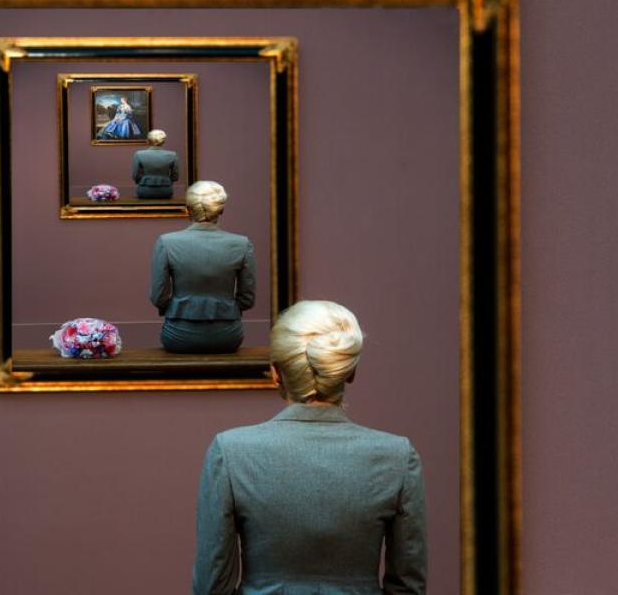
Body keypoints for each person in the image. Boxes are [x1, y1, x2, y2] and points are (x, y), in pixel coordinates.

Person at [192, 301, 428, 594]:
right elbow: (408, 587)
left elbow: (211, 585)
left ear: (276, 372)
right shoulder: (398, 456)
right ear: (349, 371)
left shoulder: (230, 452)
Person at [149, 180, 255, 353]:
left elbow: (158, 297)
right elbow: (247, 298)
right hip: (227, 336)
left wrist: (177, 308)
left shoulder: (166, 242)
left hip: (178, 334)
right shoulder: (242, 244)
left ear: (188, 210)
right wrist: (227, 309)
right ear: (221, 210)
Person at [131, 128, 179, 199]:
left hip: (144, 190)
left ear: (149, 140)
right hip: (166, 190)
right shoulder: (172, 155)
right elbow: (175, 177)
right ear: (163, 141)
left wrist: (143, 181)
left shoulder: (139, 154)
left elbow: (135, 176)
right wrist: (167, 180)